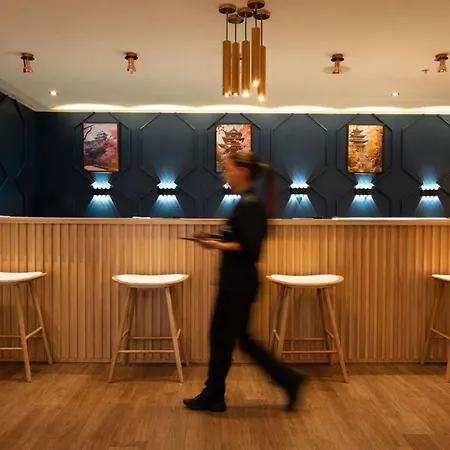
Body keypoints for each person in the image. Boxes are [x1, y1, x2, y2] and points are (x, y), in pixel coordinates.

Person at [183, 151, 306, 413]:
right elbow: (239, 239)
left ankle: (217, 394)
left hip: (238, 284)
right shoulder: (246, 203)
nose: (224, 175)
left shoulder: (249, 205)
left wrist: (216, 245)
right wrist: (216, 240)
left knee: (225, 338)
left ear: (244, 172)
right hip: (236, 283)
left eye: (228, 169)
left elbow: (250, 248)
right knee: (234, 339)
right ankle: (284, 380)